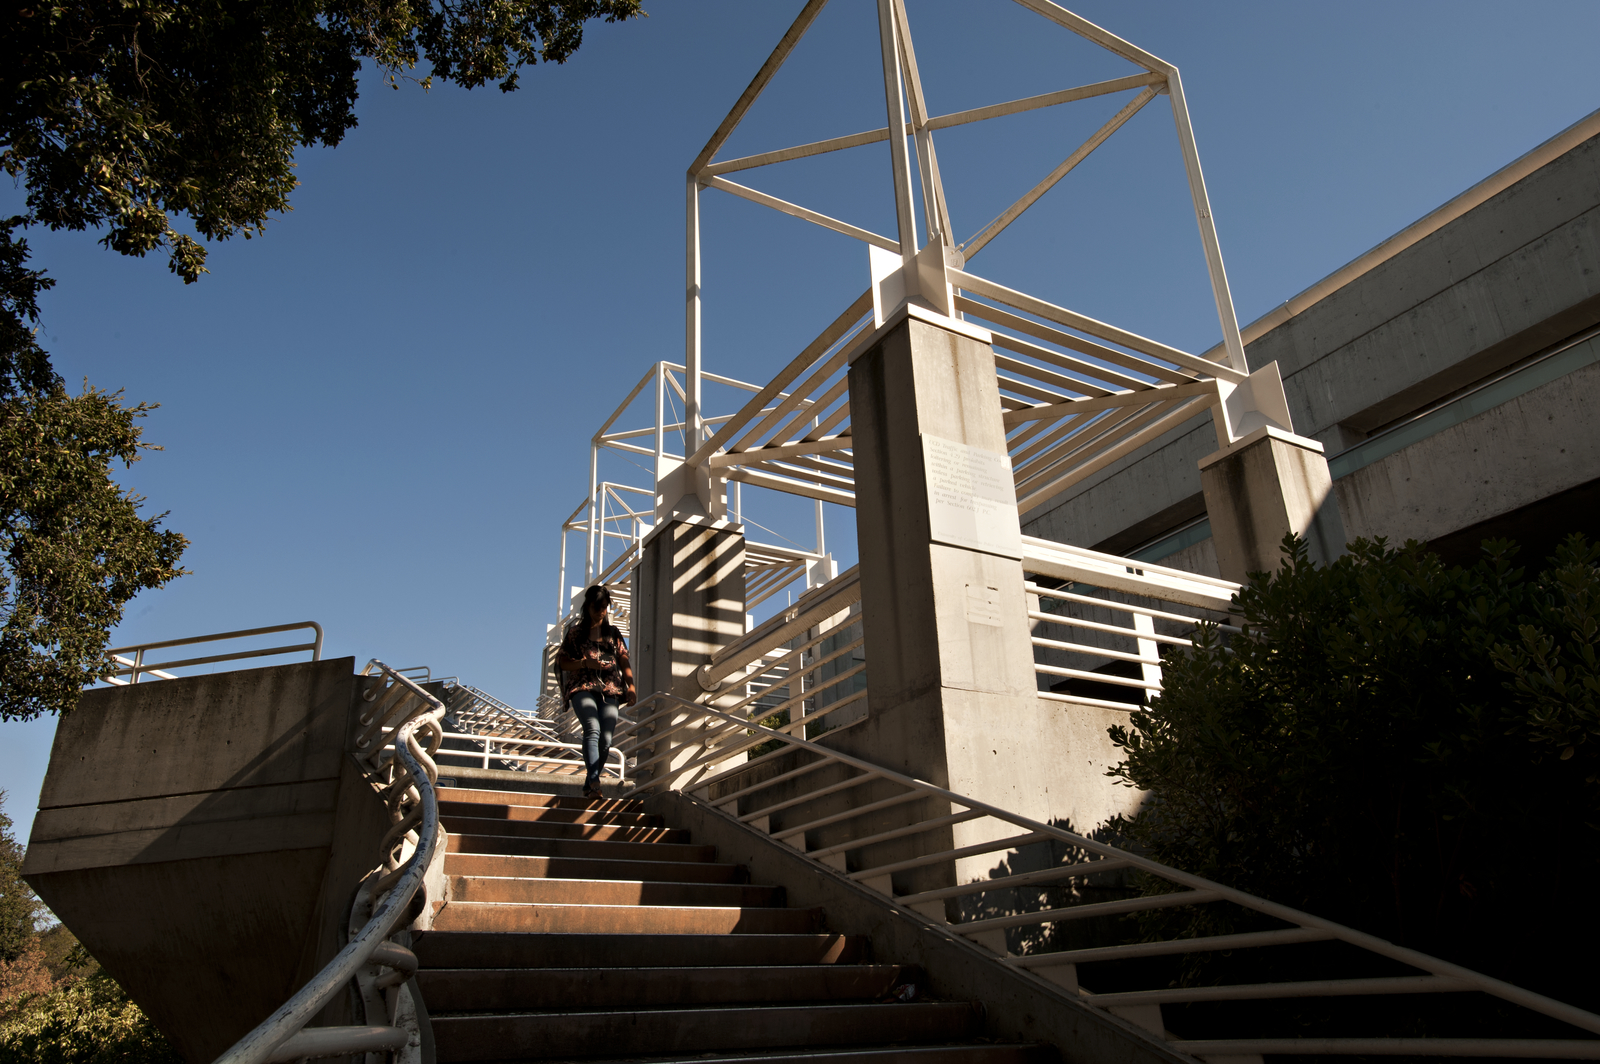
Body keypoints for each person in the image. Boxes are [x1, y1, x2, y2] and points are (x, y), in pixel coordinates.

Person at [556, 584, 634, 800]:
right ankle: (595, 781)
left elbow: (623, 658)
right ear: (587, 606)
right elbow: (562, 662)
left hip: (610, 688)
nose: (600, 612)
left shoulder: (613, 633)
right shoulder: (576, 634)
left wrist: (631, 685)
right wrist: (583, 663)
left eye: (604, 607)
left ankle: (589, 782)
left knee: (607, 738)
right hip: (583, 685)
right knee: (592, 727)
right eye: (596, 607)